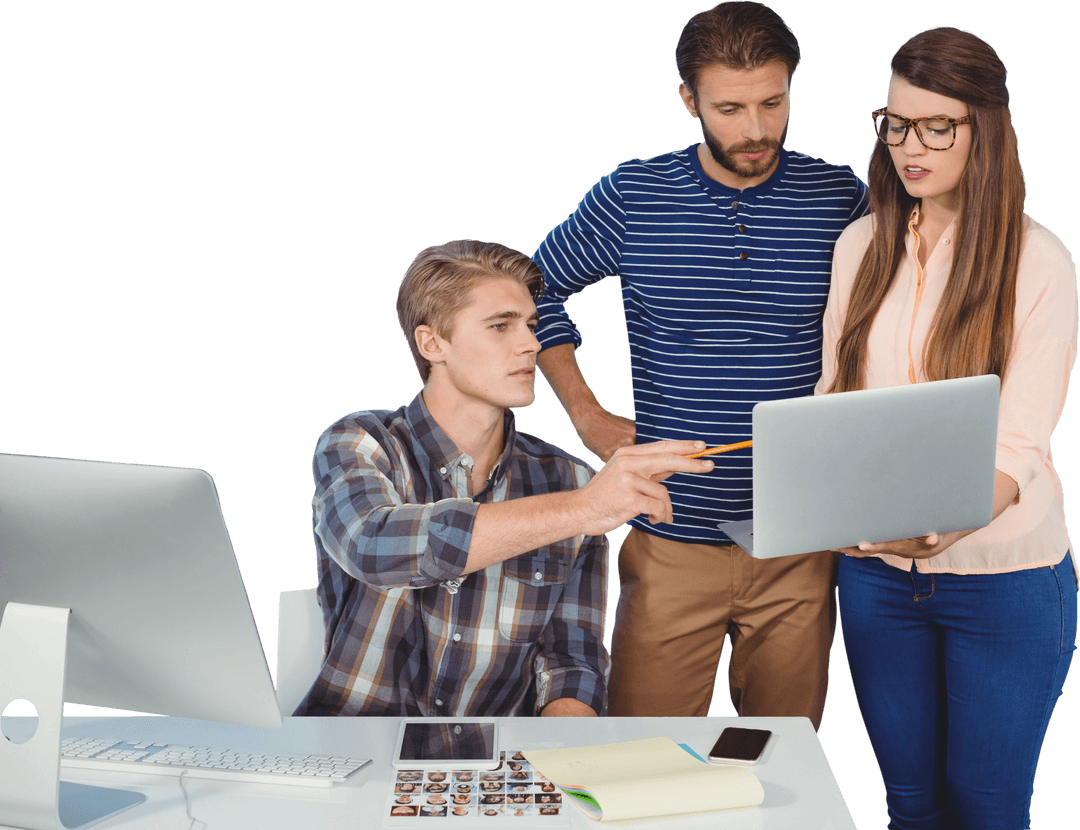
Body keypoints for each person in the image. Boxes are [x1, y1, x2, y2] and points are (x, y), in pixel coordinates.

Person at [532, 1, 867, 723]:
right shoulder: (633, 195)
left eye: (773, 102)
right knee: (640, 763)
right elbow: (534, 288)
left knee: (783, 765)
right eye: (730, 107)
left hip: (801, 542)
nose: (755, 129)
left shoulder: (838, 196)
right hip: (671, 537)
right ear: (689, 100)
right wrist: (586, 413)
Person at [817, 27, 1077, 829]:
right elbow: (837, 399)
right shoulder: (860, 244)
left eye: (938, 126)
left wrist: (952, 519)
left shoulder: (1041, 262)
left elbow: (1022, 441)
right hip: (876, 581)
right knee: (910, 806)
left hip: (1006, 582)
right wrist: (826, 502)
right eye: (895, 123)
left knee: (988, 809)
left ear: (985, 130)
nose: (909, 146)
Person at [295, 240, 715, 718]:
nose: (532, 344)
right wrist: (583, 508)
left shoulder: (569, 478)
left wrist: (565, 764)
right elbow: (371, 543)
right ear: (432, 344)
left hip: (497, 767)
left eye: (532, 325)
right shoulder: (359, 442)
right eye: (500, 326)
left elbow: (571, 662)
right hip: (356, 753)